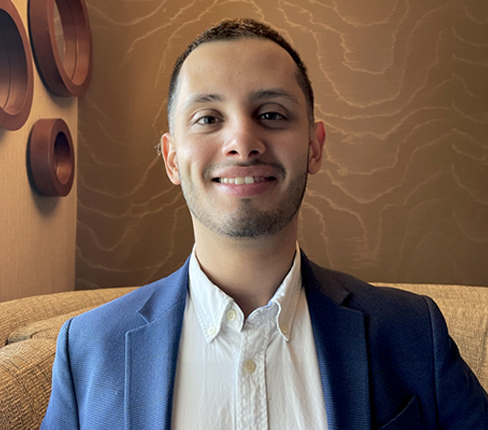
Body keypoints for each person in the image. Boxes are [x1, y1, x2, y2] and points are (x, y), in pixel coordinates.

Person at [42, 18, 488, 430]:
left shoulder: (414, 333)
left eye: (272, 114)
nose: (242, 142)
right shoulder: (87, 350)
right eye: (208, 118)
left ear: (314, 147)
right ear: (172, 157)